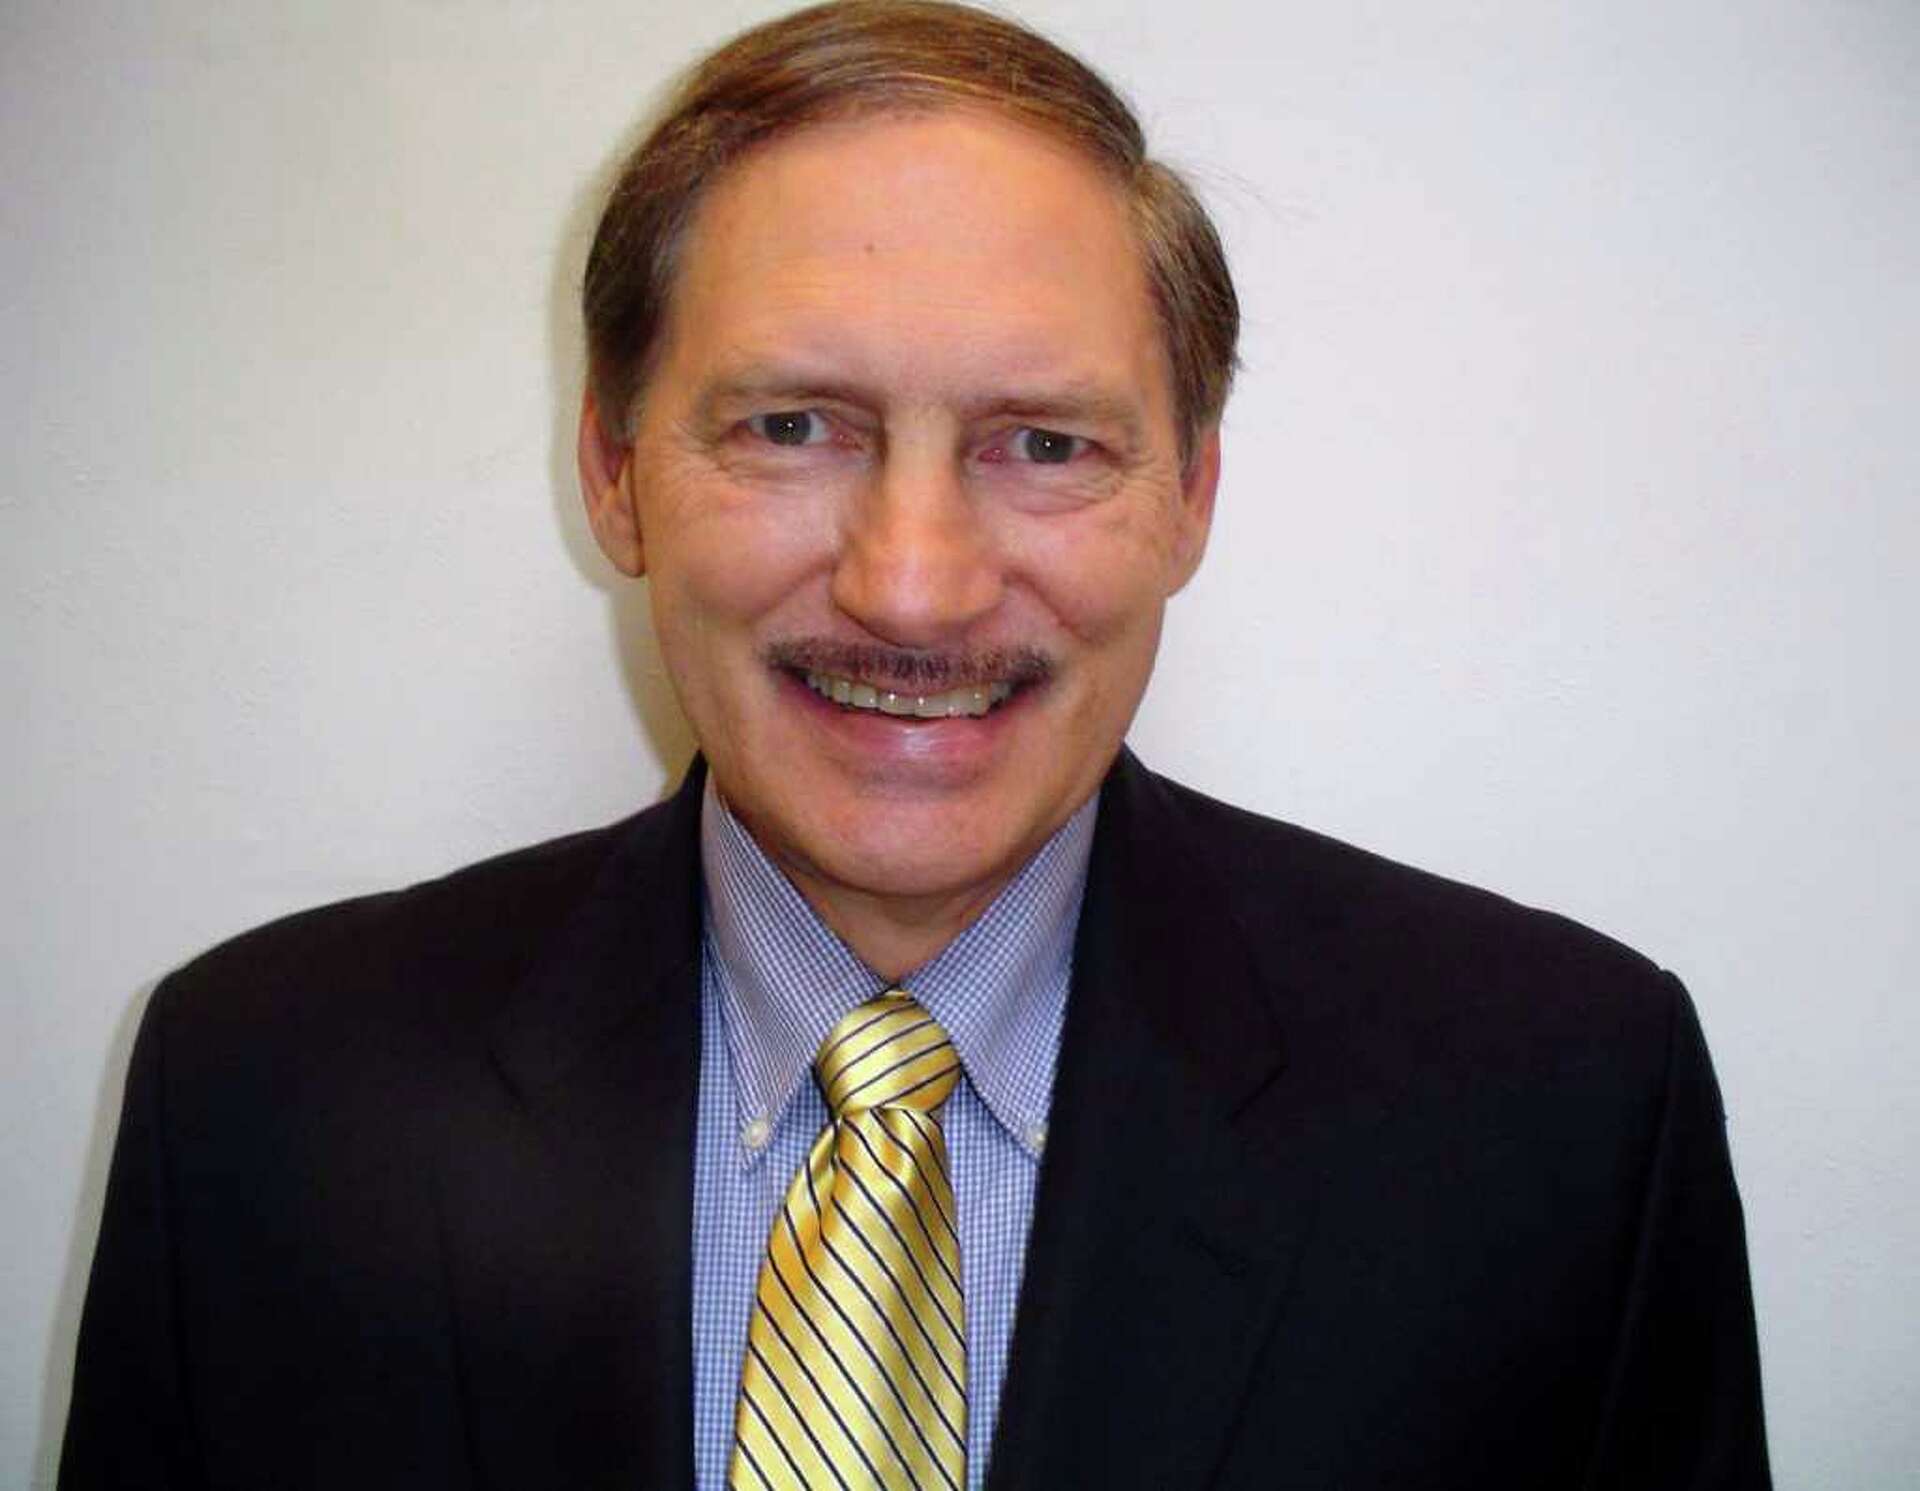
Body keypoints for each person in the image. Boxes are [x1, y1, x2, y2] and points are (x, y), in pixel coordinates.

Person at [59, 2, 1769, 1486]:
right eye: (793, 424)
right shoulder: (258, 1099)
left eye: (1045, 442)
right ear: (615, 475)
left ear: (1191, 498)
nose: (913, 585)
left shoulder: (1562, 1117)